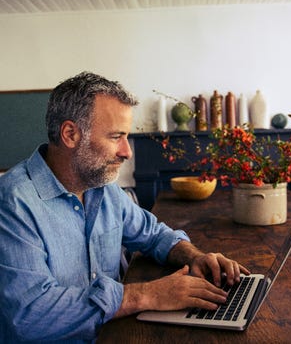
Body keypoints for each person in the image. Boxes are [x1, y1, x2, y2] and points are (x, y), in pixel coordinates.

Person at [0, 72, 249, 343]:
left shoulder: (102, 188)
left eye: (127, 136)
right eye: (116, 136)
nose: (127, 151)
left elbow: (154, 235)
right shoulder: (13, 204)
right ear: (70, 134)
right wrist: (146, 295)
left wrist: (194, 256)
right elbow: (31, 316)